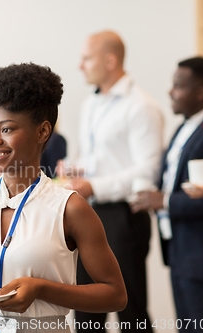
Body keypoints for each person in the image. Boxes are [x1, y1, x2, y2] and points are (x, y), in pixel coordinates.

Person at [0, 63, 127, 333]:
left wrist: (41, 288)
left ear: (42, 132)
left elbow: (116, 295)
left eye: (6, 129)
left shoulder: (69, 208)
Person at [67, 31, 163, 332]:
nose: (80, 65)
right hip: (89, 215)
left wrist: (94, 186)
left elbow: (147, 171)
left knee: (130, 312)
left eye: (86, 58)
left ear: (110, 60)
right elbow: (99, 158)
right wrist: (75, 169)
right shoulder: (91, 104)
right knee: (85, 310)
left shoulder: (140, 106)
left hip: (123, 217)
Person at [130, 57, 203, 333]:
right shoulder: (184, 128)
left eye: (179, 86)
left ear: (201, 92)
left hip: (200, 253)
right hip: (179, 251)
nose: (170, 92)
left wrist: (163, 201)